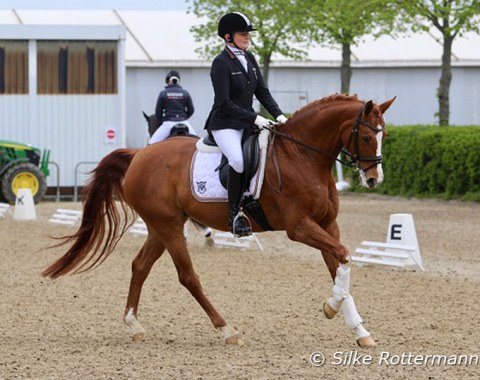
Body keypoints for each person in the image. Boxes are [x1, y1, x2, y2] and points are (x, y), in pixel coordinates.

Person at [204, 11, 288, 237]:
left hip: (247, 121)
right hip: (225, 124)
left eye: (248, 33)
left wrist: (280, 116)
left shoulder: (249, 58)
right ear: (228, 37)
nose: (247, 37)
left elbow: (262, 92)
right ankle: (235, 215)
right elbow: (224, 103)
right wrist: (255, 118)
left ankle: (256, 200)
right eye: (243, 34)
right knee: (238, 161)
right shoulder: (220, 63)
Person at [149, 70, 196, 144]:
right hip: (184, 122)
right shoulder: (185, 93)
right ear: (178, 80)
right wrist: (183, 117)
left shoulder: (163, 93)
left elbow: (158, 112)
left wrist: (159, 125)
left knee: (151, 143)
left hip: (168, 123)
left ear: (168, 81)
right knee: (196, 143)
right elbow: (191, 110)